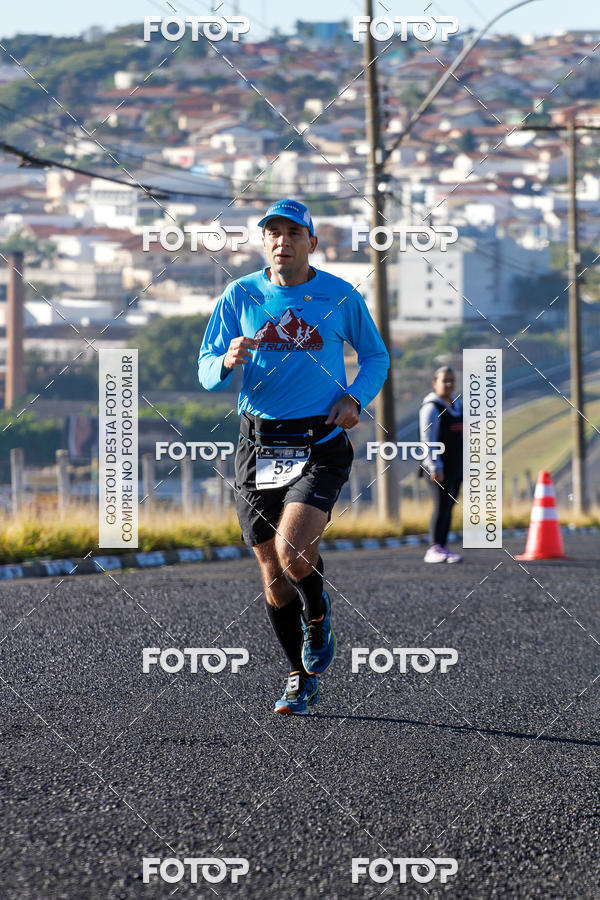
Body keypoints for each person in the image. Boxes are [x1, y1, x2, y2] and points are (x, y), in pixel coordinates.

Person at [198, 199, 389, 714]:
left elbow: (375, 355)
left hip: (320, 443)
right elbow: (205, 367)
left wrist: (355, 398)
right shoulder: (240, 295)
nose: (282, 241)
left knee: (292, 550)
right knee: (271, 572)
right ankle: (299, 678)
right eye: (273, 233)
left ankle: (318, 611)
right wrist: (225, 359)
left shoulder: (338, 294)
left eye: (292, 233)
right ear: (264, 243)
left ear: (312, 242)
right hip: (257, 444)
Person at [419, 366, 463, 563]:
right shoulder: (431, 408)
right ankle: (434, 548)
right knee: (441, 505)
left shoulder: (457, 406)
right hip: (438, 469)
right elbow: (428, 440)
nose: (449, 384)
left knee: (449, 506)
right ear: (435, 383)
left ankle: (443, 547)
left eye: (452, 380)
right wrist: (435, 466)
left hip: (456, 467)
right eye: (445, 380)